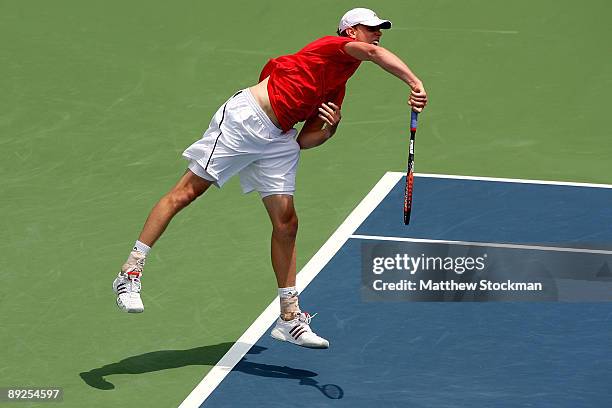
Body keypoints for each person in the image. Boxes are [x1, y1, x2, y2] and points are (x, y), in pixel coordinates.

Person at [112, 7, 428, 349]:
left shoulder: (338, 85)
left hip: (279, 139)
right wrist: (414, 83)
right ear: (350, 33)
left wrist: (331, 130)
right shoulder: (330, 47)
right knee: (186, 193)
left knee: (287, 223)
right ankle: (129, 272)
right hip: (245, 121)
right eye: (371, 28)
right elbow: (374, 53)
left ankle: (289, 317)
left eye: (380, 29)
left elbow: (305, 140)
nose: (377, 34)